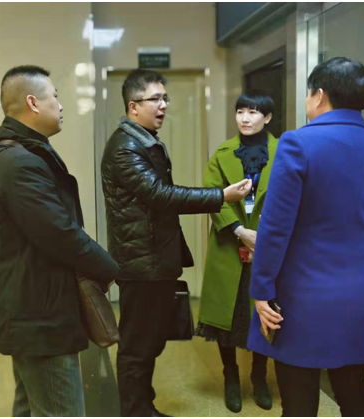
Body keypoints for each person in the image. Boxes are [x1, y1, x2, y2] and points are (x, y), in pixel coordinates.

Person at [247, 57, 364, 417]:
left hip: (299, 298)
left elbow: (275, 228)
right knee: (355, 399)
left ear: (320, 95)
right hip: (355, 294)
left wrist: (261, 289)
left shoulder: (298, 144)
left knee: (299, 405)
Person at [101, 69, 252, 417]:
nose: (163, 106)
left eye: (165, 98)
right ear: (133, 106)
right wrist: (221, 196)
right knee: (138, 344)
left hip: (153, 258)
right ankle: (135, 411)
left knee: (150, 340)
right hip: (141, 263)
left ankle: (143, 405)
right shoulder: (125, 147)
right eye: (155, 99)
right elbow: (160, 195)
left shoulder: (143, 140)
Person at [0, 65, 119, 417]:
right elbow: (60, 234)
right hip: (39, 316)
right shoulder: (20, 165)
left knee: (31, 405)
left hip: (32, 307)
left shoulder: (17, 156)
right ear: (33, 102)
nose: (61, 105)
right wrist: (112, 269)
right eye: (55, 96)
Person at [196, 90, 278, 413]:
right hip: (229, 243)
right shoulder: (222, 153)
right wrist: (239, 231)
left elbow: (289, 197)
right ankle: (230, 376)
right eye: (240, 111)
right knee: (227, 316)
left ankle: (259, 377)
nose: (245, 118)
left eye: (253, 112)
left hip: (267, 246)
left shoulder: (283, 152)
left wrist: (264, 237)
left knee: (263, 314)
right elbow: (210, 195)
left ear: (267, 117)